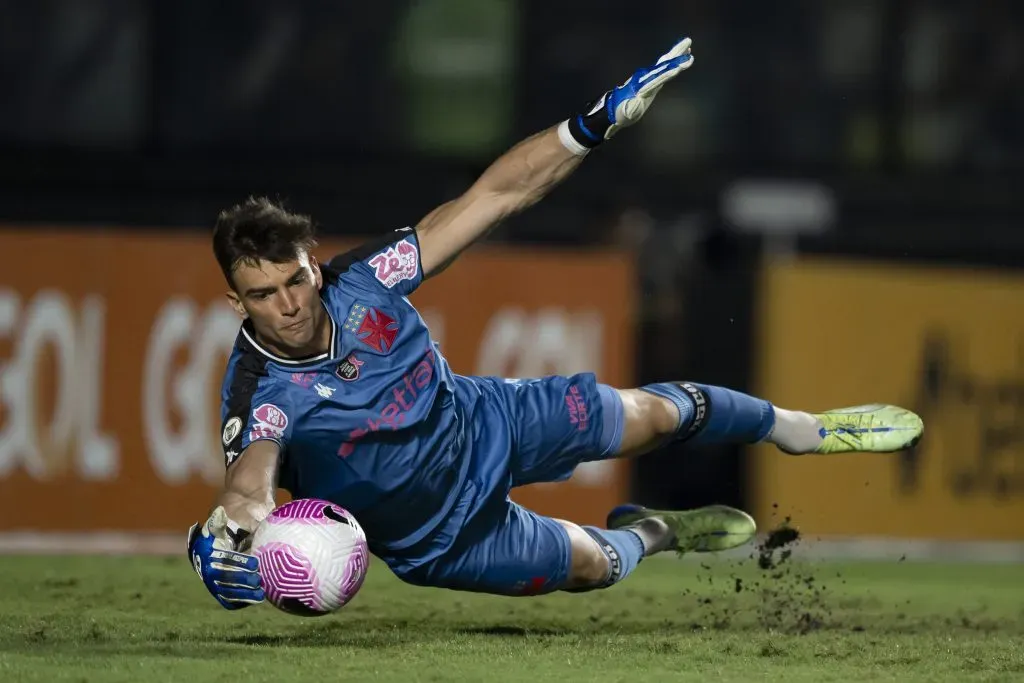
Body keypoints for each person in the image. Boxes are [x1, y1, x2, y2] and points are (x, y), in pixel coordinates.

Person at [187, 37, 924, 609]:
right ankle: (656, 529)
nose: (286, 304)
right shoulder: (259, 392)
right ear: (236, 302)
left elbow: (493, 196)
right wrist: (224, 537)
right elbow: (249, 483)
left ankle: (799, 428)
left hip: (485, 421)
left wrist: (589, 126)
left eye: (294, 280)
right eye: (262, 294)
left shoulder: (368, 280)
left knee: (651, 415)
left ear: (314, 265)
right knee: (595, 567)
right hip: (441, 537)